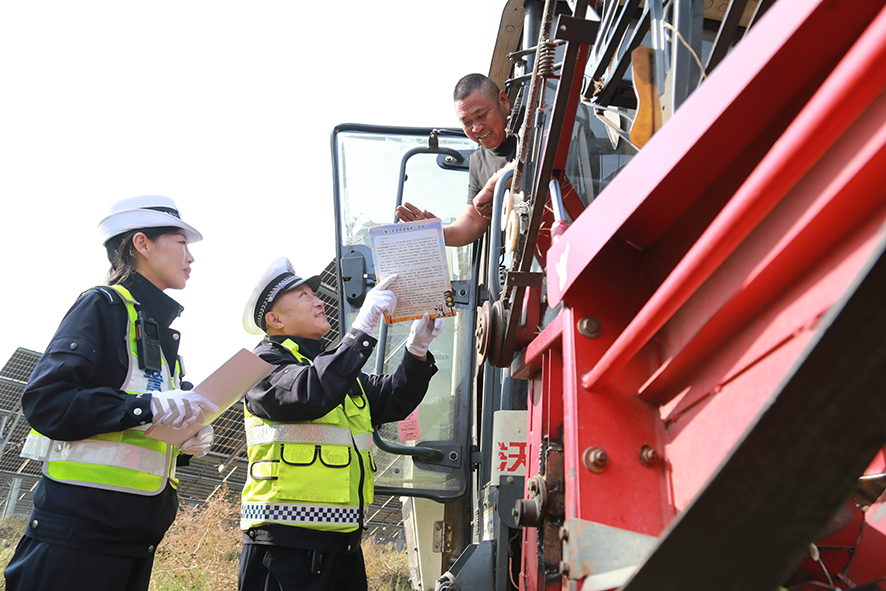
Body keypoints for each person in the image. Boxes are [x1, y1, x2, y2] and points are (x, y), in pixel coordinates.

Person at [4, 195, 219, 591]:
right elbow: (47, 402)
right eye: (181, 243)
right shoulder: (102, 306)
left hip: (132, 544)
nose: (192, 256)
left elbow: (138, 423)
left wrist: (185, 438)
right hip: (76, 545)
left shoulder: (155, 328)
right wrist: (146, 407)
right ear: (142, 244)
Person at [238, 258, 444, 591]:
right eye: (303, 295)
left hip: (343, 545)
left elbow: (394, 397)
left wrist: (416, 350)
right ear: (274, 319)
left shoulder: (334, 372)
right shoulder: (262, 364)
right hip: (283, 550)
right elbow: (310, 392)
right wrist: (361, 330)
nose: (319, 301)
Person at [397, 73, 517, 246]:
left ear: (504, 101)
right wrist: (437, 233)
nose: (476, 128)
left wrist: (492, 186)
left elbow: (535, 160)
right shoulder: (477, 162)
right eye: (467, 122)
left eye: (482, 115)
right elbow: (473, 221)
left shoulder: (532, 124)